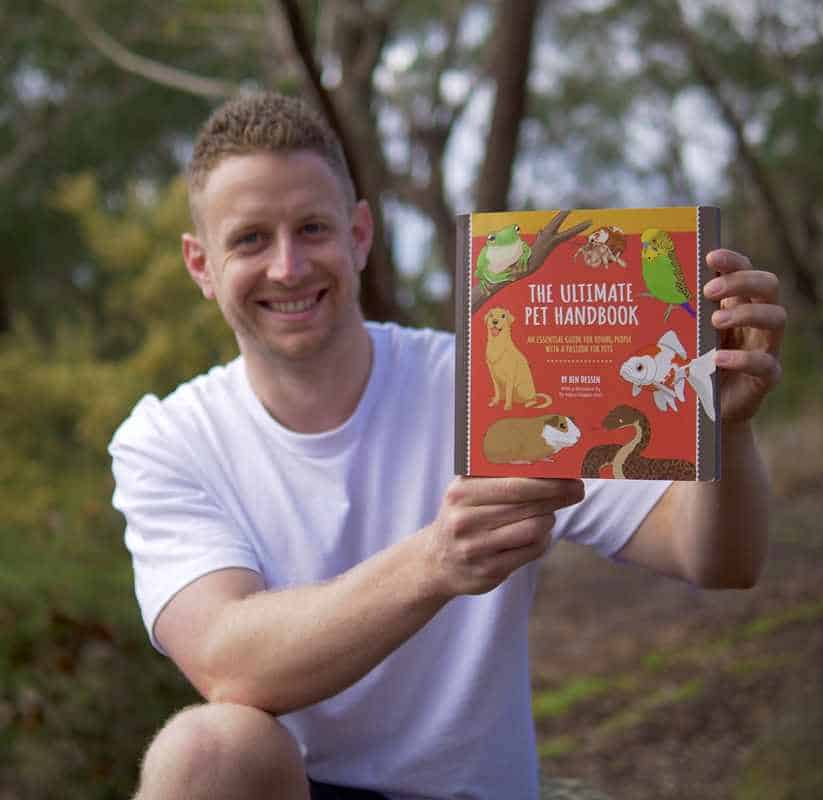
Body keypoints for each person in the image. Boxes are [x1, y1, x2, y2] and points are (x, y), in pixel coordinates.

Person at [108, 91, 786, 800]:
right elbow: (228, 663)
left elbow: (719, 559)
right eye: (250, 239)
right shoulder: (167, 439)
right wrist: (435, 561)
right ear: (201, 265)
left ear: (360, 235)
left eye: (312, 228)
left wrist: (725, 427)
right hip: (294, 787)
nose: (287, 266)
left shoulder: (487, 386)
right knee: (206, 752)